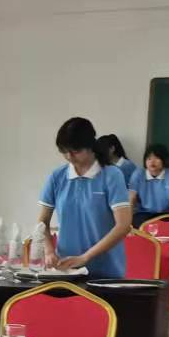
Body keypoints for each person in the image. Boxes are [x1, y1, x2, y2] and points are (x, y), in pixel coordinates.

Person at [38, 117, 132, 278]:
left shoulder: (112, 175)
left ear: (90, 146)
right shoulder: (57, 177)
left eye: (75, 151)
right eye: (64, 151)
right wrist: (49, 251)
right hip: (66, 269)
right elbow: (42, 222)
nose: (69, 156)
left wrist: (85, 257)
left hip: (106, 271)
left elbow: (123, 226)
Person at [130, 143, 169, 221]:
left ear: (164, 160)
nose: (152, 162)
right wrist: (127, 223)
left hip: (167, 213)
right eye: (149, 158)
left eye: (156, 158)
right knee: (140, 227)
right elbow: (131, 198)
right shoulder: (138, 174)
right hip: (144, 213)